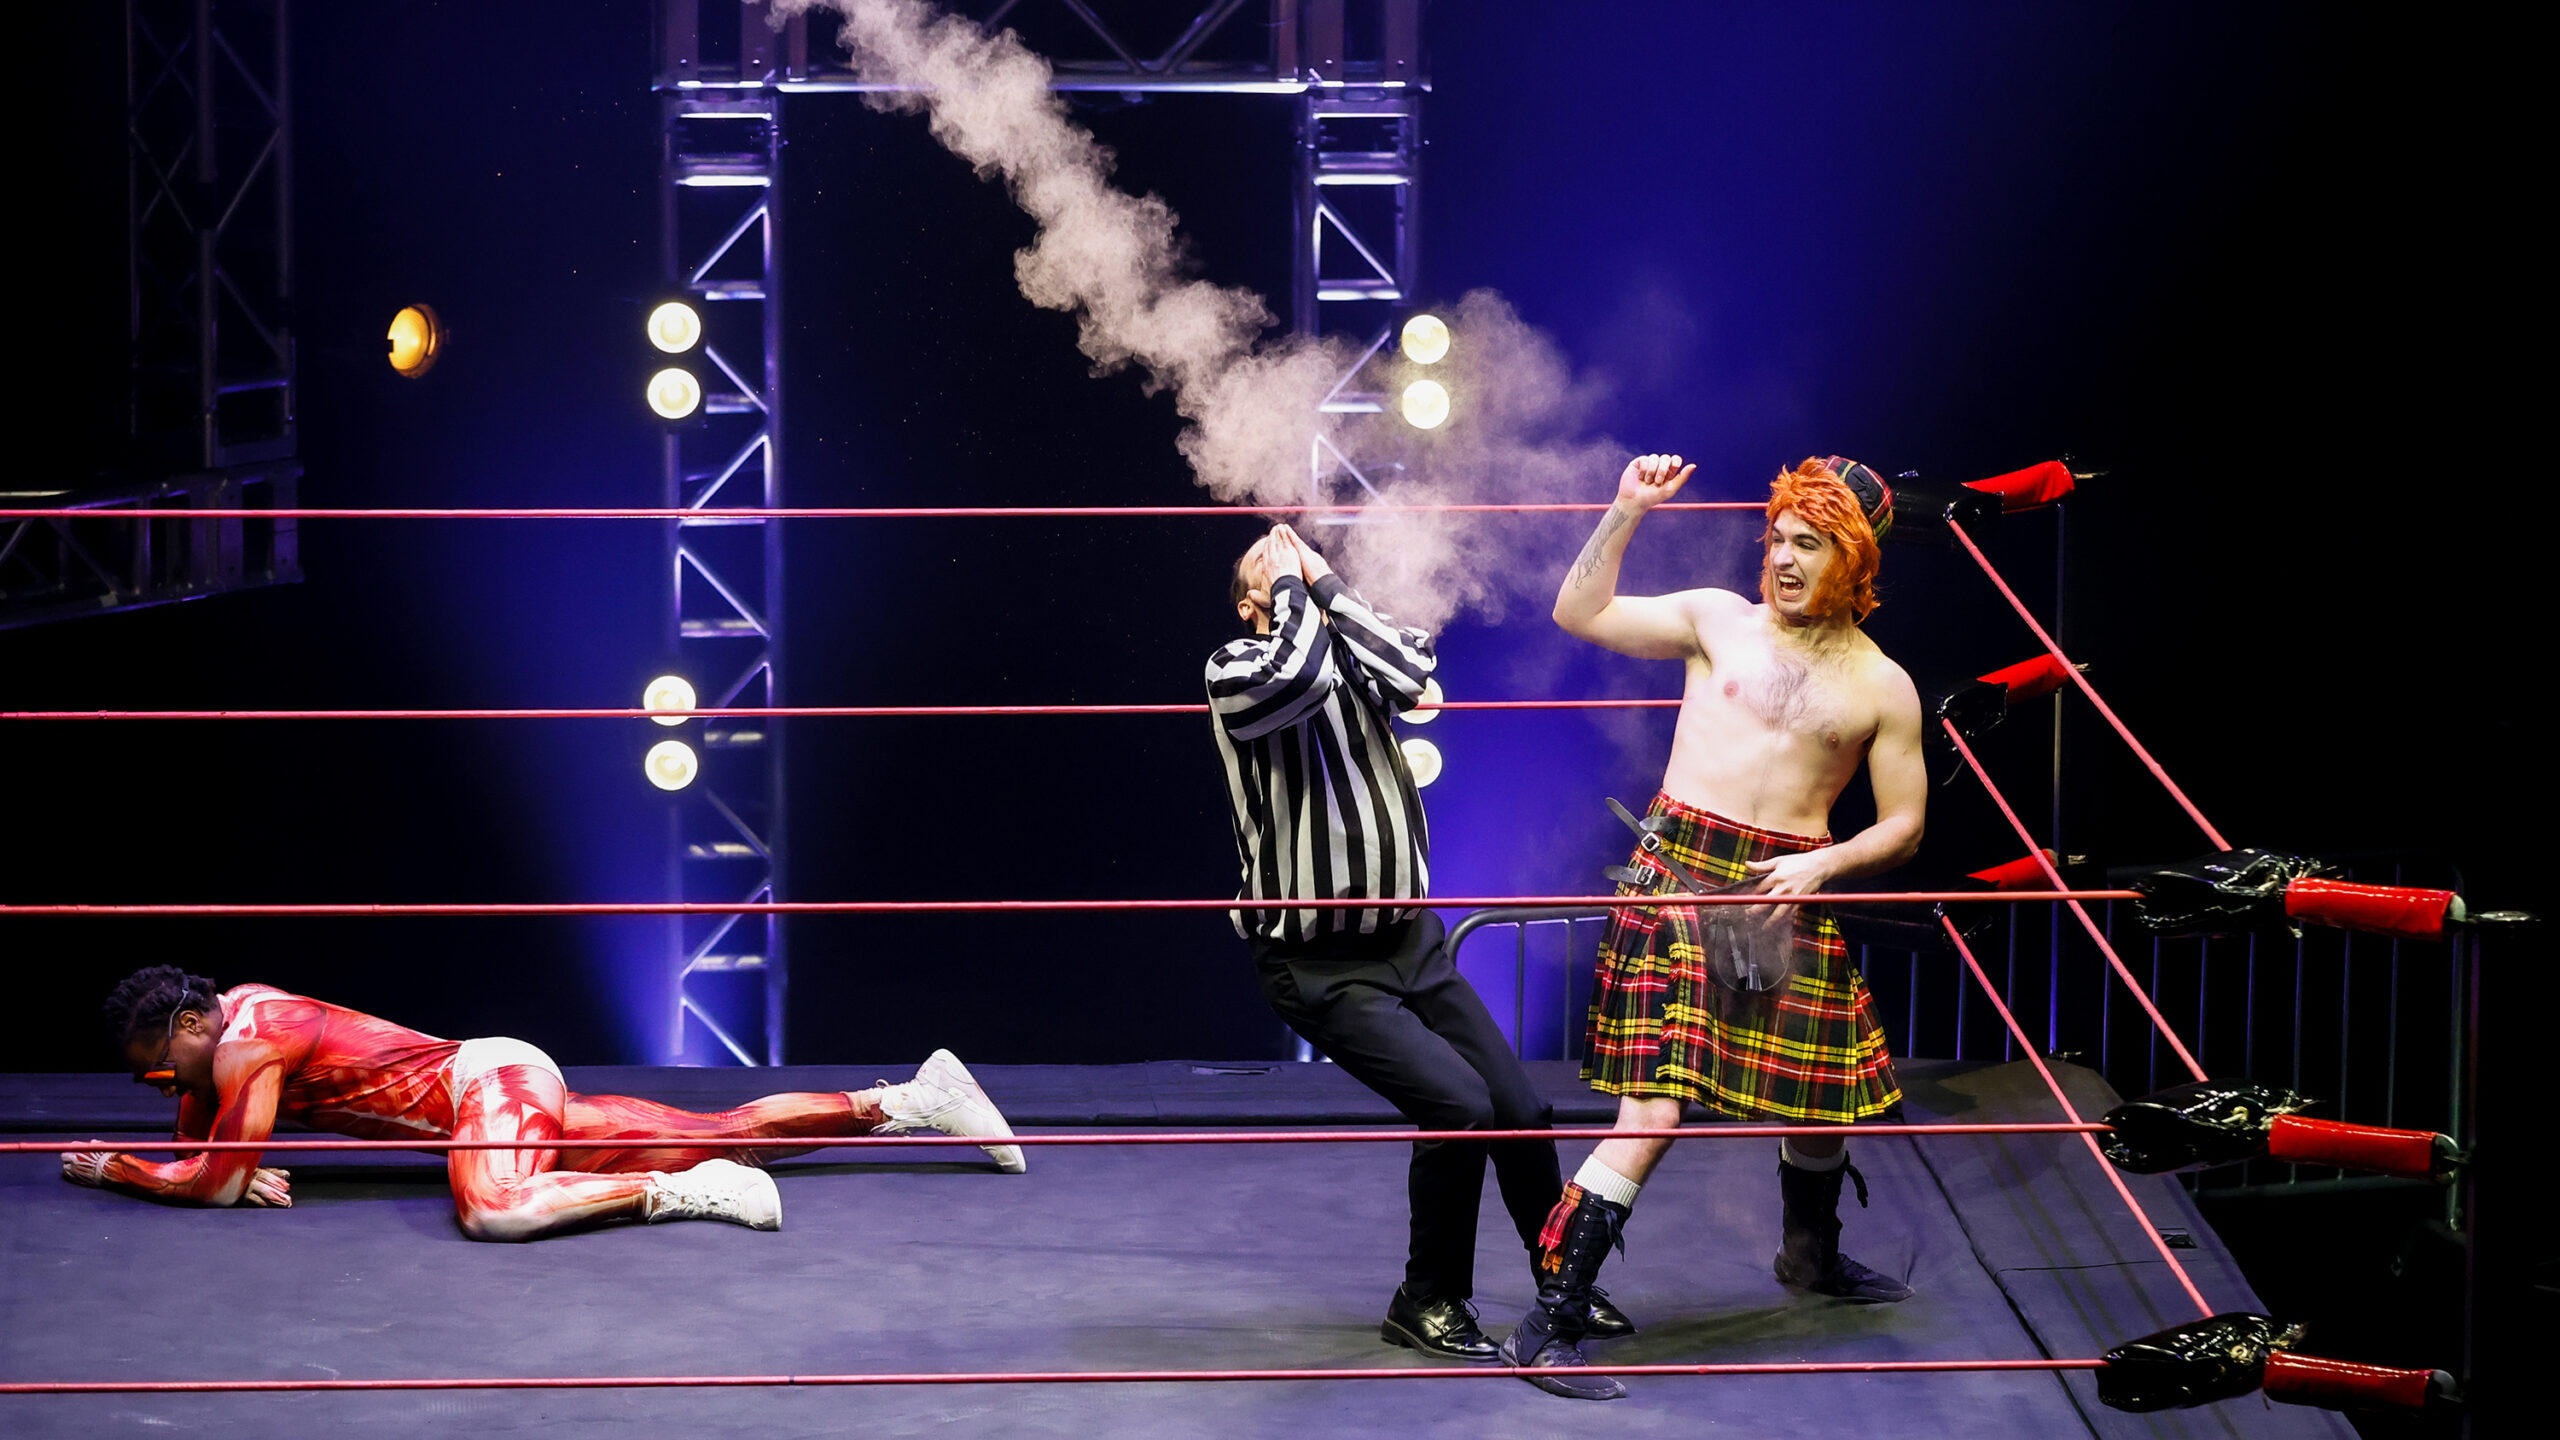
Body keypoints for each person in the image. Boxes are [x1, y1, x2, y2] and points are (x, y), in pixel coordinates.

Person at [1505, 454, 1928, 1400]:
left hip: (1786, 886)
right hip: (1682, 881)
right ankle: (1549, 1322)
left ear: (1852, 560)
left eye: (1807, 544)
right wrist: (1624, 509)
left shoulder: (1883, 686)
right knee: (1654, 1109)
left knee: (1824, 1092)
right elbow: (1580, 614)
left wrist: (1827, 859)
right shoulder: (1715, 620)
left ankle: (1809, 1257)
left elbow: (1904, 824)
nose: (1781, 557)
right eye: (1776, 536)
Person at [1205, 523, 1633, 1363]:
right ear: (1252, 603)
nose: (1288, 555)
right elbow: (1293, 675)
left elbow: (1414, 670)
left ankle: (1561, 1284)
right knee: (1459, 1109)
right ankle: (1426, 1297)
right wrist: (1293, 588)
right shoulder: (1236, 670)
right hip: (1318, 966)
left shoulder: (1352, 653)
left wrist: (1324, 583)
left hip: (1410, 944)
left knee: (1520, 1109)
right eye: (1272, 567)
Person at [61, 966, 1023, 1240]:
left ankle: (688, 1198)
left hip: (488, 1088)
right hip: (498, 1084)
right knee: (715, 1132)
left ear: (193, 1021)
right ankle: (912, 1098)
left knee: (493, 1208)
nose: (169, 1080)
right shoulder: (232, 1029)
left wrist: (125, 1171)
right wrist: (216, 1153)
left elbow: (215, 1179)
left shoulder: (247, 1041)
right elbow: (214, 1144)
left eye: (166, 1061)